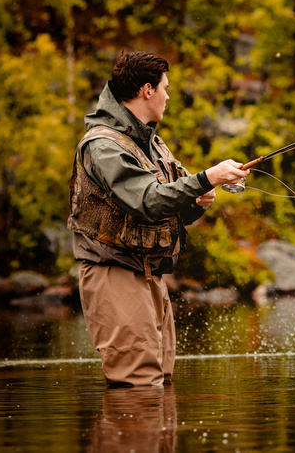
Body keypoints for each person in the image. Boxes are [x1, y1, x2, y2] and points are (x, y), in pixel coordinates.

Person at [68, 51, 249, 386]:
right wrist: (207, 178)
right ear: (147, 90)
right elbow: (148, 200)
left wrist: (199, 200)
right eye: (165, 88)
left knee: (160, 383)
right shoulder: (104, 146)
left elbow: (173, 205)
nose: (168, 95)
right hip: (115, 274)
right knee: (137, 385)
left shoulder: (151, 142)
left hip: (150, 276)